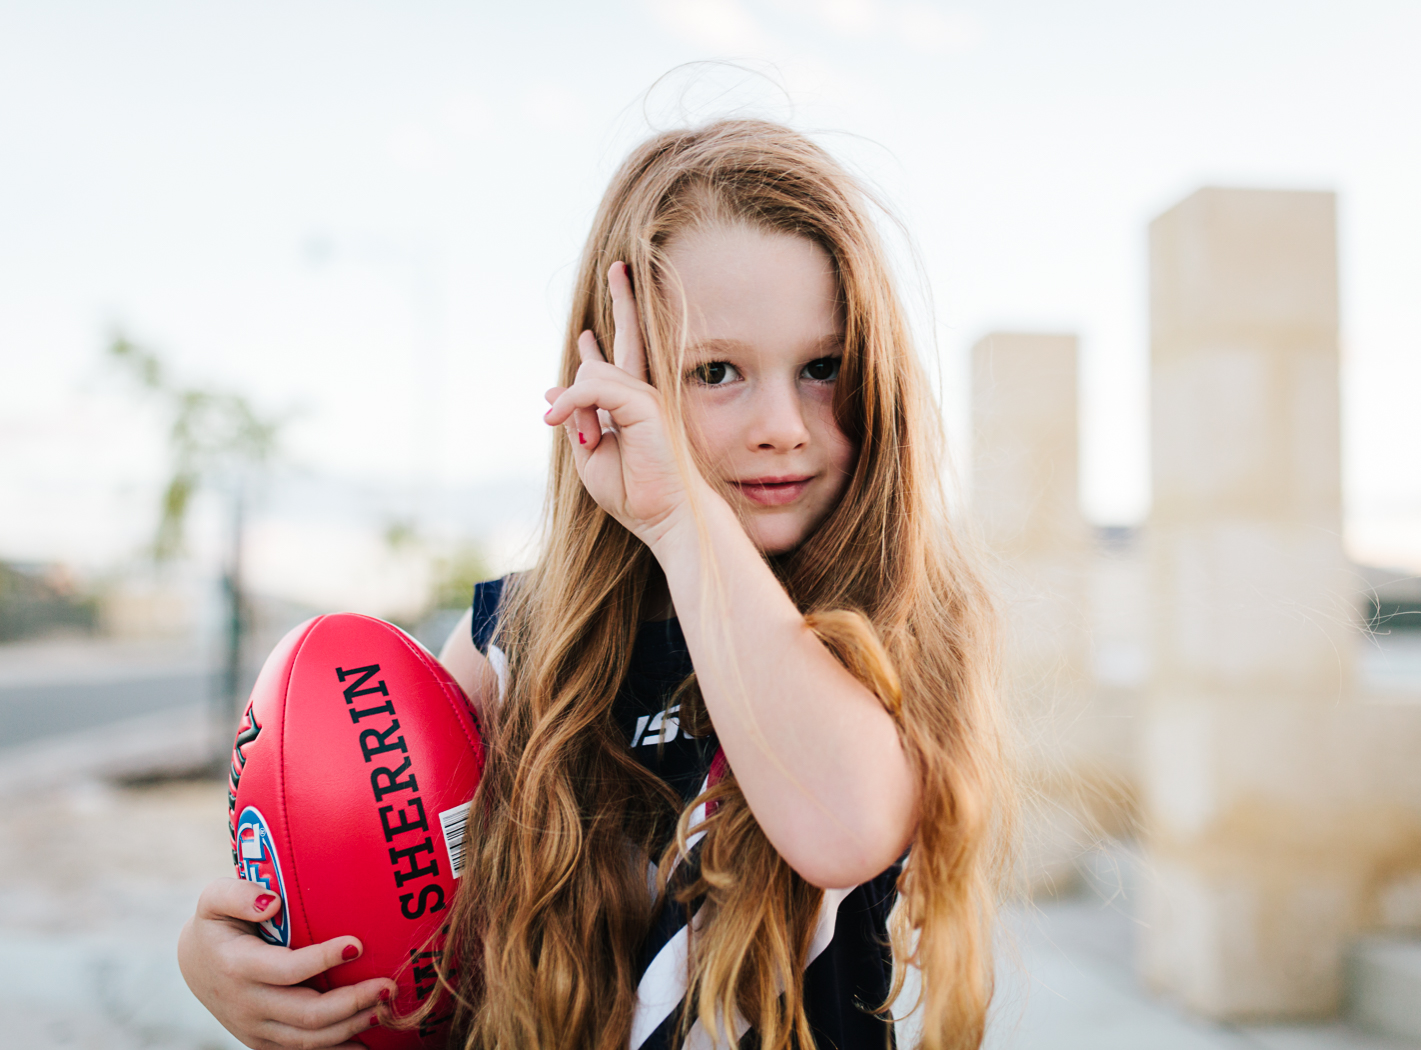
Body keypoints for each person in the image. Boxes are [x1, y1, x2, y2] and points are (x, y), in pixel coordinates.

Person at [178, 118, 1012, 1050]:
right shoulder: (513, 642)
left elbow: (844, 827)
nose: (783, 424)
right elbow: (405, 932)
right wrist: (236, 966)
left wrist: (675, 521)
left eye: (822, 368)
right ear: (615, 371)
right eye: (717, 372)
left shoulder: (890, 624)